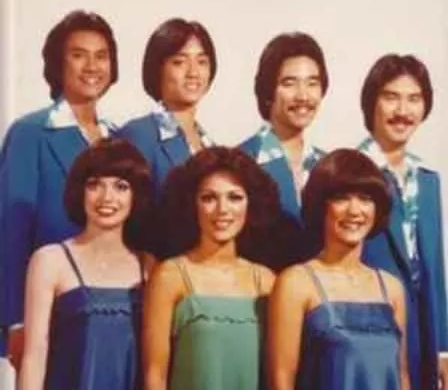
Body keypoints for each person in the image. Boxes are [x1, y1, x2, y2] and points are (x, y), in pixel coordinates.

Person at [0, 10, 119, 360]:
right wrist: (14, 320)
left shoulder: (118, 137)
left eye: (101, 56)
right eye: (78, 55)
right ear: (57, 63)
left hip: (111, 308)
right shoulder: (30, 133)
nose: (92, 66)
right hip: (50, 309)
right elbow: (10, 230)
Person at [19, 138, 156, 390]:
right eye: (95, 185)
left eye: (121, 187)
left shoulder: (149, 266)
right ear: (80, 191)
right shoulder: (51, 260)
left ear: (136, 196)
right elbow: (34, 356)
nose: (106, 197)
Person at [268, 149, 409, 390]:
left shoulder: (391, 288)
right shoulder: (296, 283)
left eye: (365, 198)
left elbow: (402, 377)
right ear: (321, 205)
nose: (354, 211)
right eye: (341, 198)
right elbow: (281, 380)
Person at [143, 146, 277, 390]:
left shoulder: (266, 281)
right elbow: (155, 375)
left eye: (234, 197)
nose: (222, 209)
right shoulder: (171, 275)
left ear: (252, 204)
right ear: (191, 204)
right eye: (209, 198)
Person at [357, 54, 448, 390]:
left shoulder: (428, 179)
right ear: (372, 103)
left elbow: (434, 270)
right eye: (391, 97)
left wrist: (443, 347)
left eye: (414, 99)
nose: (403, 110)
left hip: (424, 335)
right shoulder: (352, 172)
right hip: (370, 330)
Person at [239, 32, 330, 268]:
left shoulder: (329, 166)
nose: (303, 95)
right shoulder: (240, 162)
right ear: (268, 91)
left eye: (312, 83)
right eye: (289, 83)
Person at [118, 17, 217, 198]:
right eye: (179, 62)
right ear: (158, 69)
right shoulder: (138, 136)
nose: (193, 73)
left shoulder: (209, 145)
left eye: (202, 62)